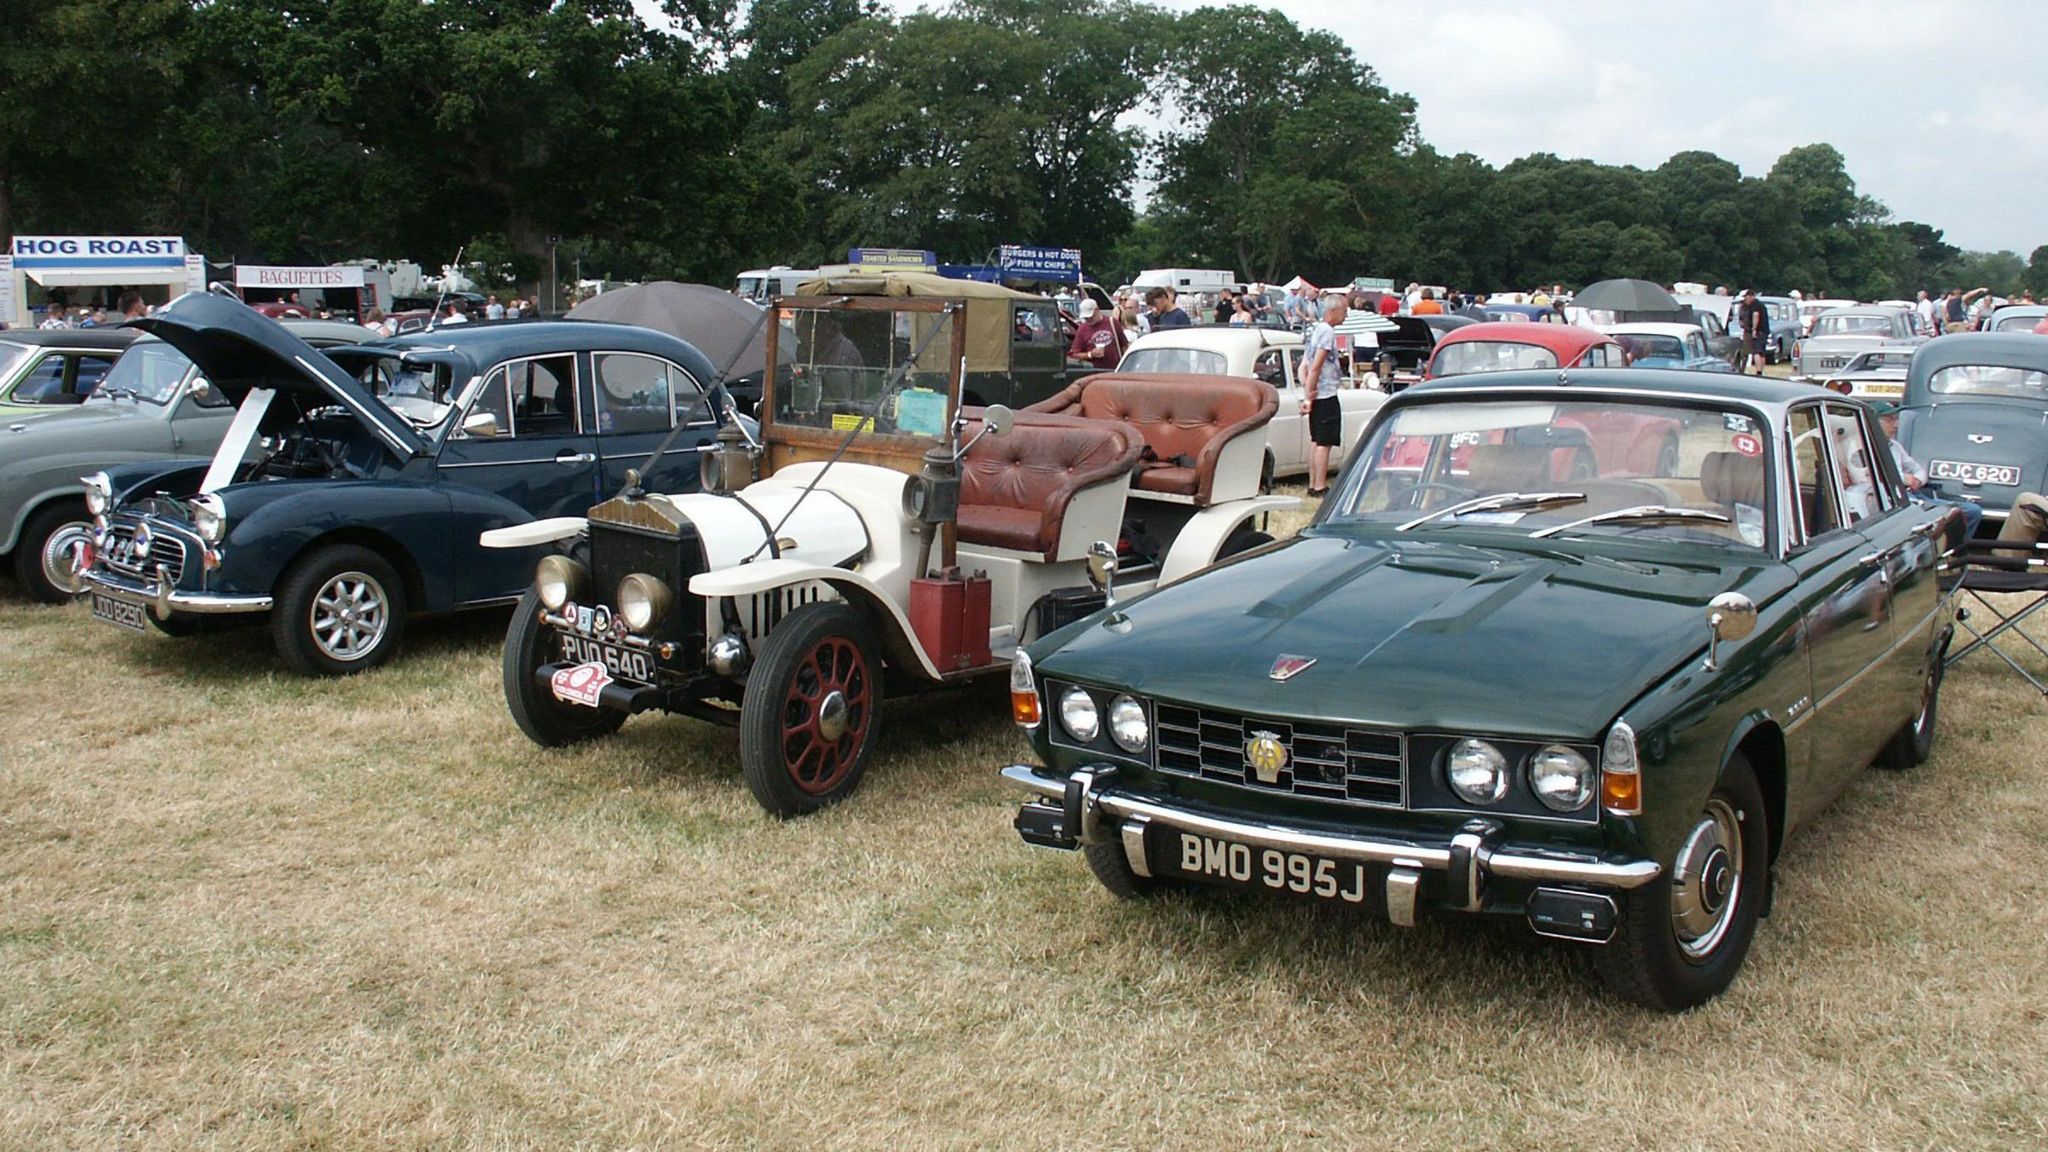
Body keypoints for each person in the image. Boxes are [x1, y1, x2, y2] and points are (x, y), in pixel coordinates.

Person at [1873, 401, 1983, 538]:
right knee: (1948, 515)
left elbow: (1918, 469)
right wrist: (1902, 478)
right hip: (1898, 500)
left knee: (1972, 511)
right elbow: (1869, 477)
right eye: (1890, 420)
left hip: (1916, 494)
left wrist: (1917, 479)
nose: (1896, 425)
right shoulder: (1866, 447)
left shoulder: (1895, 446)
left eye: (1896, 419)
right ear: (1874, 421)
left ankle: (1956, 550)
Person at [1299, 295, 1347, 497]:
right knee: (1324, 442)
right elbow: (1316, 366)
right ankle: (1319, 486)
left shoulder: (1316, 330)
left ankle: (1312, 483)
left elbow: (1304, 366)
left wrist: (1306, 388)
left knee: (1316, 439)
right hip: (1325, 394)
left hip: (1317, 393)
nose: (1346, 315)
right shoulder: (1327, 332)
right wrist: (1309, 396)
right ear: (1334, 311)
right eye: (1345, 311)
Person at [1066, 298, 1126, 369]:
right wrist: (1090, 354)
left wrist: (1124, 365)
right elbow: (1074, 354)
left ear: (1097, 310)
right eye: (1085, 318)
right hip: (1094, 371)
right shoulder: (1082, 329)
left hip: (1115, 369)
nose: (1088, 320)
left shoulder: (1112, 322)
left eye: (1090, 317)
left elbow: (1124, 345)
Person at [1738, 289, 1770, 375]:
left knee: (1756, 351)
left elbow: (1756, 316)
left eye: (1746, 297)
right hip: (1764, 331)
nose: (1745, 299)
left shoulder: (1755, 305)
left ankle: (1758, 371)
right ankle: (1761, 370)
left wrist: (1754, 329)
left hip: (1758, 331)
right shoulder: (1760, 304)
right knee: (1762, 352)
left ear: (1750, 296)